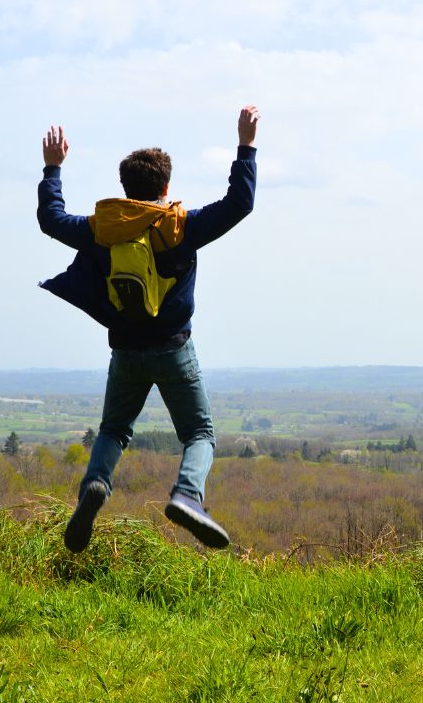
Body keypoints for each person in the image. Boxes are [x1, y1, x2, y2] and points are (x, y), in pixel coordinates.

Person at [36, 106, 260, 552]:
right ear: (165, 187)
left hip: (125, 351)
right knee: (199, 434)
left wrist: (53, 169)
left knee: (114, 430)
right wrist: (246, 146)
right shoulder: (180, 226)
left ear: (126, 187)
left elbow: (52, 220)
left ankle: (95, 485)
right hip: (175, 348)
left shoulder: (103, 228)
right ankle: (188, 496)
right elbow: (240, 203)